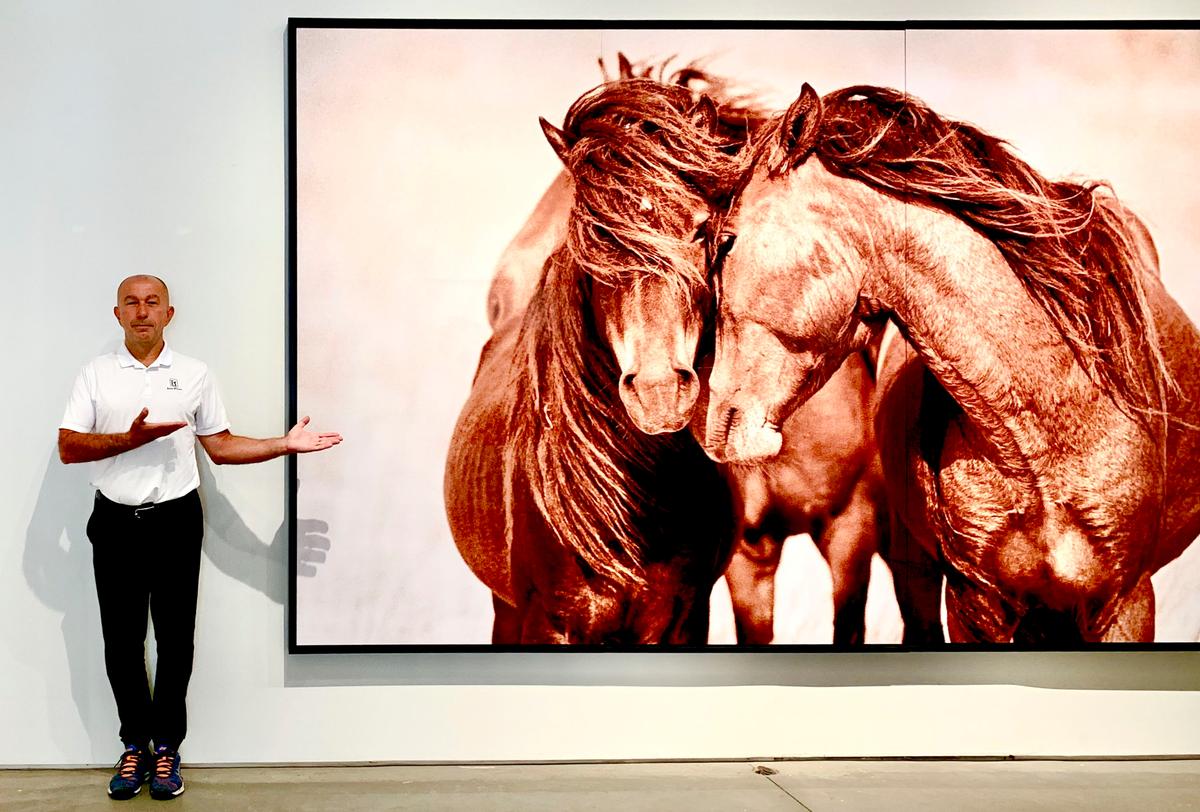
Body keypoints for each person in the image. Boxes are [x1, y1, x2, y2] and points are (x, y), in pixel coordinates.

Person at [58, 275, 342, 800]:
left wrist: (285, 443)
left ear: (169, 313)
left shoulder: (194, 374)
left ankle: (166, 749)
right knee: (122, 644)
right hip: (115, 523)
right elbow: (69, 447)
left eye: (152, 303)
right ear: (116, 314)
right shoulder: (95, 375)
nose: (142, 311)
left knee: (175, 641)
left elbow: (221, 446)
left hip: (175, 521)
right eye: (131, 303)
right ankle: (133, 747)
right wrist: (127, 440)